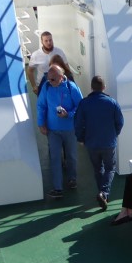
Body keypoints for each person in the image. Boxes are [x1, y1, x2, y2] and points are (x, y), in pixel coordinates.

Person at [75, 76, 125, 211]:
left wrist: (80, 138)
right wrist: (114, 134)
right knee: (110, 168)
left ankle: (102, 193)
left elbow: (78, 123)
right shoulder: (112, 103)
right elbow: (120, 122)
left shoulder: (84, 103)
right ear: (104, 87)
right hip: (108, 142)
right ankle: (104, 193)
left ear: (91, 87)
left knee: (98, 169)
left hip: (91, 143)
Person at [36, 62, 82, 198]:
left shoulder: (71, 88)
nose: (50, 81)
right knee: (55, 158)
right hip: (53, 130)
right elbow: (41, 106)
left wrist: (68, 114)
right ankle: (58, 188)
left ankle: (72, 179)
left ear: (61, 77)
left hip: (69, 129)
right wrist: (41, 123)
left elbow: (80, 106)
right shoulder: (46, 87)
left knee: (71, 156)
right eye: (48, 79)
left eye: (53, 79)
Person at [25, 31, 67, 95]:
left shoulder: (59, 52)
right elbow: (30, 71)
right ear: (42, 42)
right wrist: (34, 86)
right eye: (46, 41)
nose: (49, 43)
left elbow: (66, 67)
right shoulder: (36, 55)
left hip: (59, 84)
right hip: (42, 86)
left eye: (50, 40)